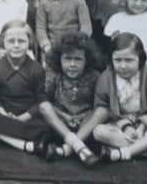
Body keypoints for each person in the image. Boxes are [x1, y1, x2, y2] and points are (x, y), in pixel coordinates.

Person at [93, 33, 147, 162]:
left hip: (146, 124)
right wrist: (125, 126)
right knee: (98, 131)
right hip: (118, 125)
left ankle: (123, 152)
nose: (123, 66)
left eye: (129, 60)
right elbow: (102, 106)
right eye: (118, 60)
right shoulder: (106, 77)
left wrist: (143, 125)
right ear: (111, 59)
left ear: (141, 58)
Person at [0, 20, 54, 157]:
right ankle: (27, 145)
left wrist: (23, 118)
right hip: (3, 115)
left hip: (27, 116)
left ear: (29, 43)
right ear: (3, 43)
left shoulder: (36, 69)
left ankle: (1, 135)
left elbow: (41, 100)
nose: (16, 45)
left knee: (47, 125)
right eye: (11, 41)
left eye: (21, 41)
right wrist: (2, 112)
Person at [39, 31, 104, 166]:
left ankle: (67, 149)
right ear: (59, 59)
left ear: (87, 60)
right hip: (61, 123)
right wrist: (65, 116)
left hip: (85, 125)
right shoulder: (55, 76)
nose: (72, 64)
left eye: (78, 59)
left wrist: (82, 117)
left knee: (103, 111)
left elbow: (97, 105)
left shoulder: (95, 77)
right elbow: (47, 100)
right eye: (67, 59)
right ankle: (78, 146)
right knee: (43, 107)